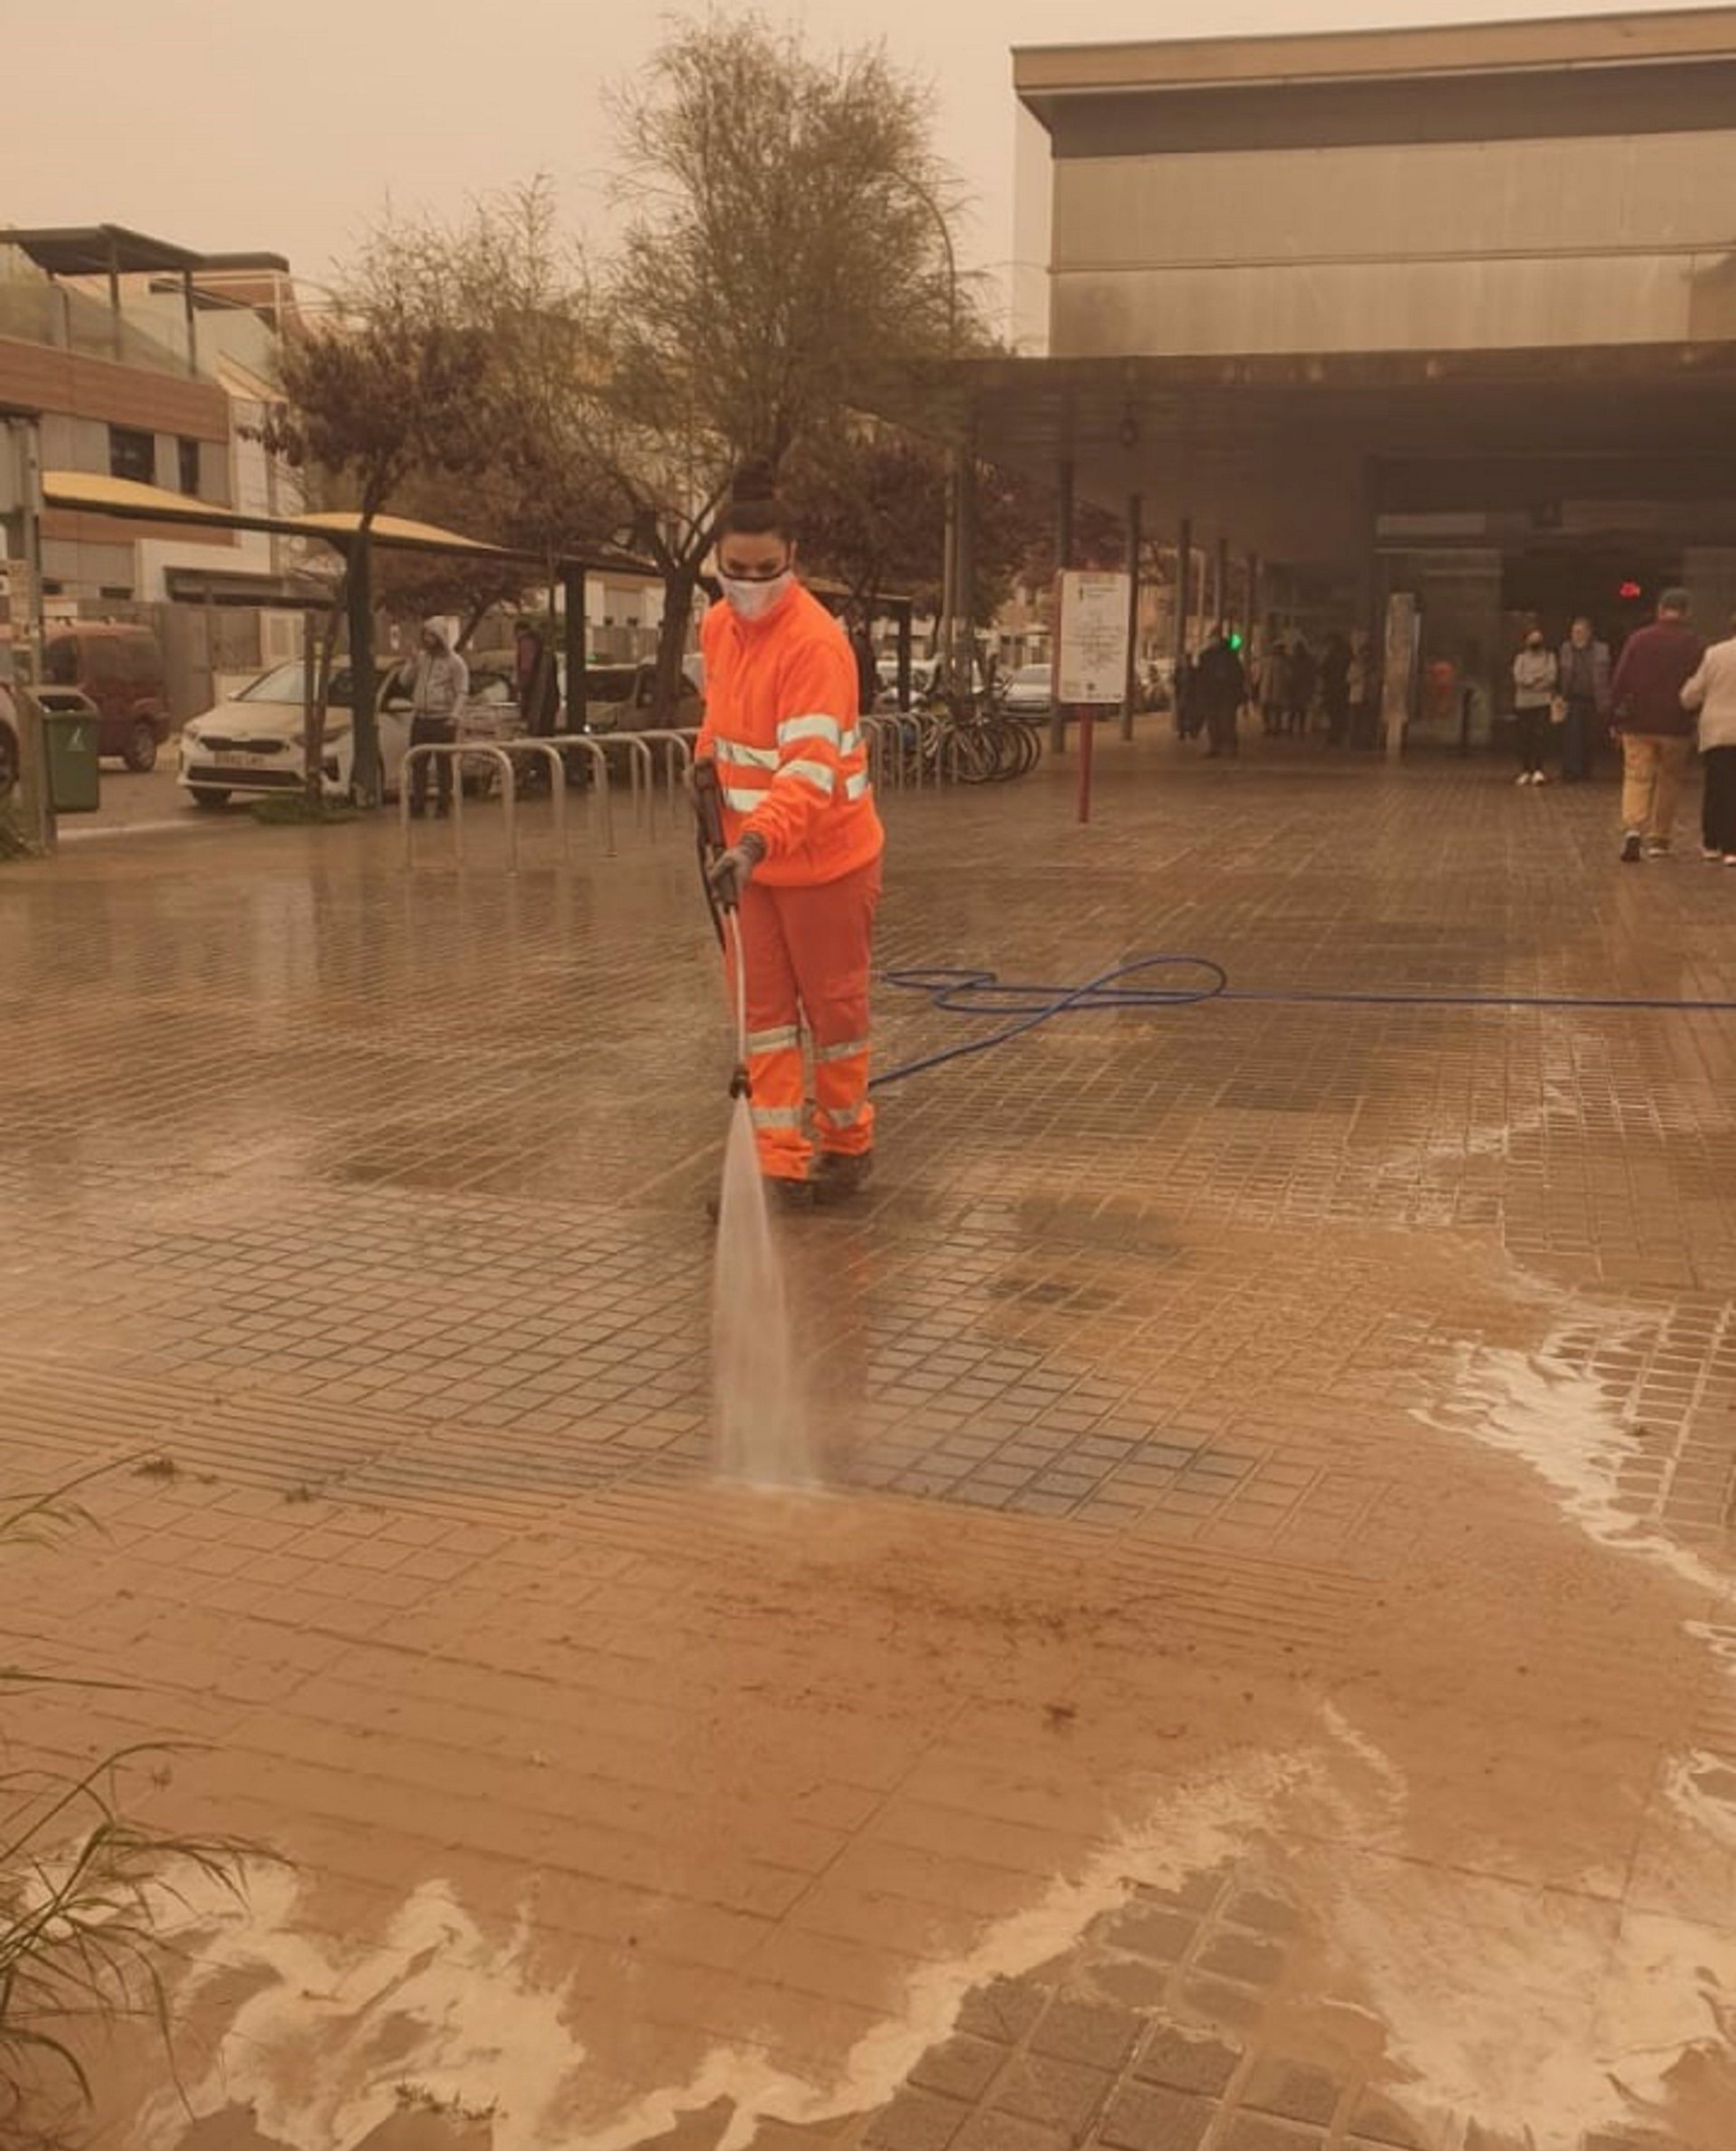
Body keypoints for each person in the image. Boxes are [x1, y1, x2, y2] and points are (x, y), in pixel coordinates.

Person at [696, 463, 884, 1208]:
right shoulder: (717, 626)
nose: (750, 584)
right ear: (719, 561)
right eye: (736, 571)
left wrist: (752, 843)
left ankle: (846, 1142)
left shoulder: (815, 645)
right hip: (753, 868)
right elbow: (721, 718)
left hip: (828, 862)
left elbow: (808, 769)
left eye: (766, 570)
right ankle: (776, 1158)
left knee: (833, 1011)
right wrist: (702, 763)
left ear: (792, 557)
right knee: (763, 1017)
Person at [1610, 588, 1705, 862]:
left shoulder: (1638, 640)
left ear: (1660, 610)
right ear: (1686, 612)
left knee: (1637, 777)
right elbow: (1700, 684)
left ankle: (1633, 830)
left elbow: (1620, 680)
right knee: (1669, 780)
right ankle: (1660, 839)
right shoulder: (1695, 644)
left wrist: (1615, 716)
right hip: (1676, 723)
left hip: (1638, 722)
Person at [1680, 611, 1736, 864]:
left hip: (1716, 730)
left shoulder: (1715, 654)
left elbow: (1693, 693)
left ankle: (1712, 841)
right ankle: (1732, 847)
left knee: (1716, 787)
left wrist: (1687, 698)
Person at [398, 621, 469, 819]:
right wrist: (411, 662)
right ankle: (418, 804)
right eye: (426, 636)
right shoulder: (422, 660)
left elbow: (462, 691)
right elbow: (404, 682)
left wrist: (455, 715)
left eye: (432, 636)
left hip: (443, 719)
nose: (428, 641)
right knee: (418, 763)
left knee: (443, 764)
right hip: (421, 719)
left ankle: (443, 805)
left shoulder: (455, 663)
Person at [1555, 617, 1611, 783]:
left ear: (1589, 633)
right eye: (1574, 632)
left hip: (1593, 699)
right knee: (1572, 737)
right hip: (1573, 698)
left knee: (1589, 737)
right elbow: (1562, 674)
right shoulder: (1566, 649)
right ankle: (1571, 772)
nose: (1576, 636)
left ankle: (1586, 771)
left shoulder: (1602, 650)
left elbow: (1607, 675)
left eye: (1580, 632)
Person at [1510, 625, 1558, 786]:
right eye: (1532, 639)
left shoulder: (1549, 657)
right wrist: (1536, 679)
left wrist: (1532, 681)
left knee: (1541, 736)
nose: (1535, 642)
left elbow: (1551, 677)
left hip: (1543, 702)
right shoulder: (1521, 659)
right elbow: (1519, 677)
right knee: (1525, 737)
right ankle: (1526, 770)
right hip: (1524, 704)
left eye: (1538, 639)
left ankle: (1539, 770)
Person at [1194, 626, 1248, 759]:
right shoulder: (1207, 656)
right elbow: (1201, 676)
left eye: (1214, 638)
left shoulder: (1228, 655)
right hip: (1214, 695)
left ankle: (1228, 747)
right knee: (1214, 723)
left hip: (1225, 695)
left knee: (1227, 722)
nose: (1213, 641)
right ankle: (1217, 746)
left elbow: (1238, 675)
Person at [513, 617, 559, 736]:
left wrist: (520, 688)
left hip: (536, 700)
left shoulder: (527, 643)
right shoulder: (545, 648)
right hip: (549, 700)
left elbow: (526, 669)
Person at [1348, 631, 1378, 749]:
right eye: (1363, 653)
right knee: (1356, 721)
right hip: (1356, 697)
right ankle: (1355, 742)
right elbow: (1349, 679)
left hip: (1369, 698)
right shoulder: (1355, 665)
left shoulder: (1373, 667)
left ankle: (1366, 742)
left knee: (1367, 721)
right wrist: (1362, 674)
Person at [1321, 633, 1353, 746]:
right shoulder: (1347, 655)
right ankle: (1338, 736)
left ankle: (1334, 737)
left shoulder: (1331, 656)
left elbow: (1323, 670)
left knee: (1334, 714)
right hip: (1343, 689)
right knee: (1340, 714)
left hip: (1333, 689)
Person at [1285, 634, 1317, 738]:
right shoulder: (1309, 661)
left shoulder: (1292, 660)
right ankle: (1299, 731)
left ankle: (1292, 730)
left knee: (1295, 711)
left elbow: (1289, 674)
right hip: (1300, 689)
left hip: (1296, 688)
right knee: (1299, 711)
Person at [1257, 637, 1289, 737]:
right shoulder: (1266, 660)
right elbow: (1260, 674)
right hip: (1267, 688)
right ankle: (1268, 727)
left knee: (1277, 709)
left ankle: (1276, 728)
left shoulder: (1285, 661)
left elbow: (1288, 675)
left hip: (1277, 688)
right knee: (1266, 708)